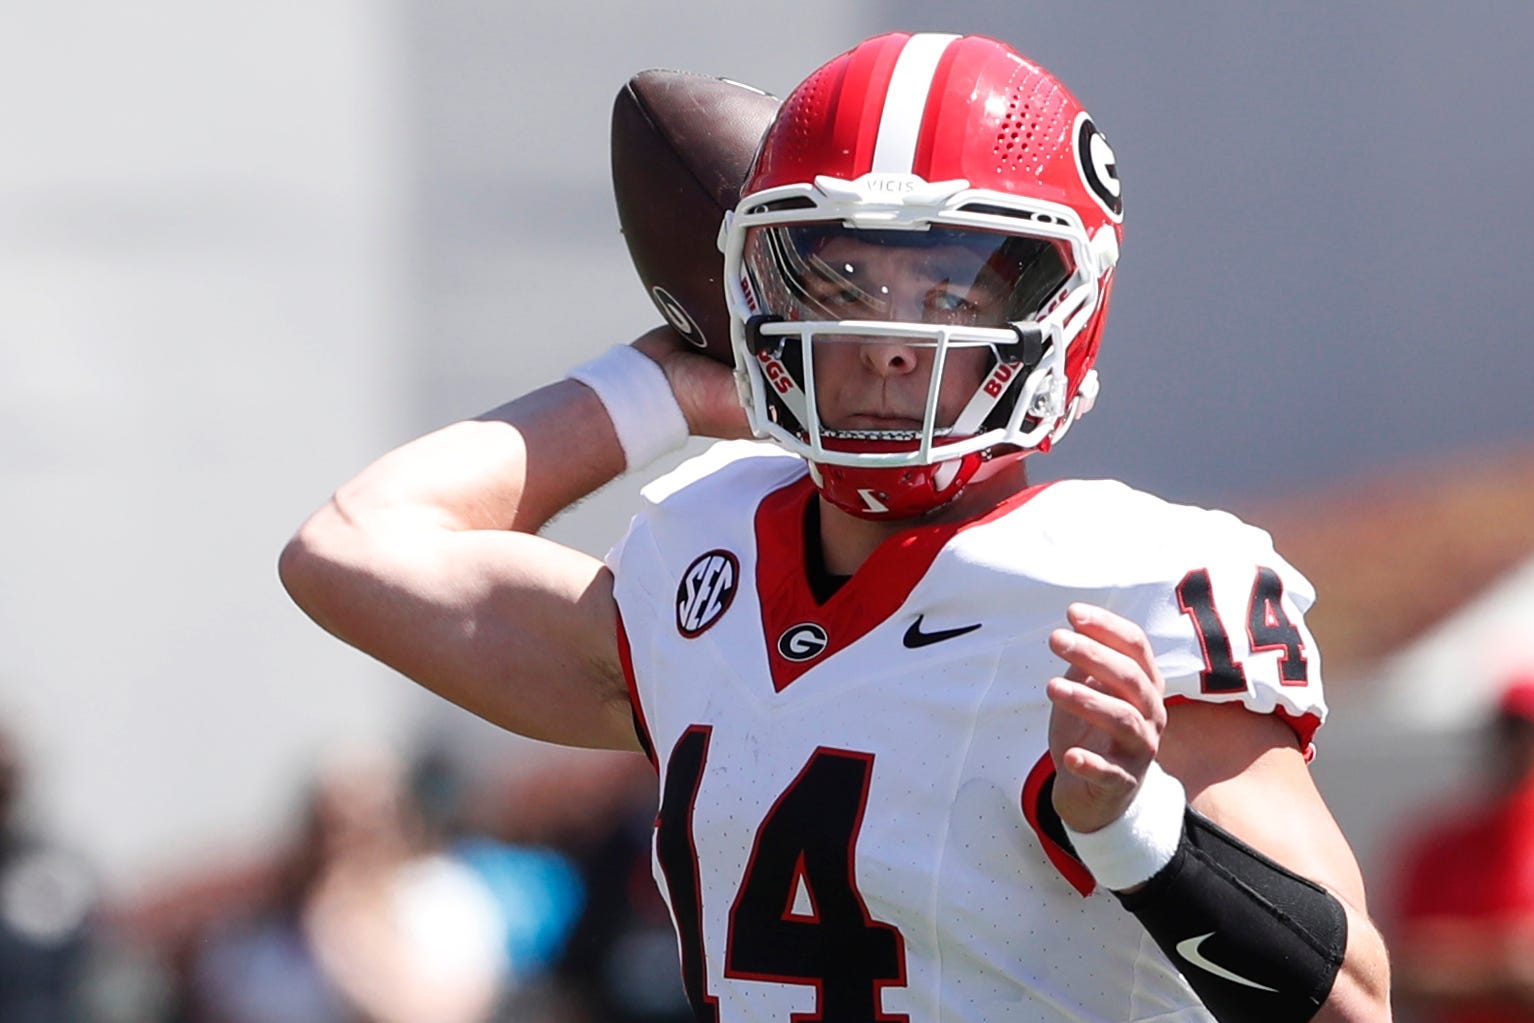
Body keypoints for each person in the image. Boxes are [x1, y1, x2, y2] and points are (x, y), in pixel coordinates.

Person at [279, 31, 1391, 1022]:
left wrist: (1135, 830)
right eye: (845, 281)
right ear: (755, 290)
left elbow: (1351, 1003)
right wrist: (662, 384)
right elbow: (350, 550)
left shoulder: (1124, 586)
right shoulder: (699, 563)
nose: (892, 340)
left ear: (1061, 311)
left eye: (951, 292)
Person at [1391, 673, 1534, 1022]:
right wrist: (1505, 961)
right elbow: (1403, 968)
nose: (1521, 746)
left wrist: (1460, 955)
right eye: (1512, 731)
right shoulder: (1441, 846)